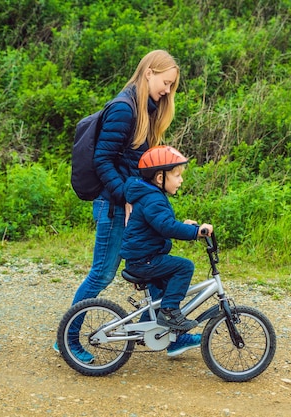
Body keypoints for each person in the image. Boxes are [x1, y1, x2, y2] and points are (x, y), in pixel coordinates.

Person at [55, 50, 200, 361]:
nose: (167, 90)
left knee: (155, 263)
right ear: (149, 72)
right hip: (114, 204)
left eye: (172, 86)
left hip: (129, 202)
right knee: (102, 274)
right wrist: (128, 196)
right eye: (166, 82)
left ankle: (169, 335)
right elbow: (102, 160)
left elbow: (134, 162)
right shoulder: (125, 109)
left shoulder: (146, 109)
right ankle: (66, 340)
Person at [121, 145, 213, 353]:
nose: (181, 180)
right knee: (184, 267)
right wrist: (197, 232)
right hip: (144, 260)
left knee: (163, 290)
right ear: (160, 178)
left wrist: (187, 226)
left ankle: (151, 326)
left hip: (144, 257)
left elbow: (162, 223)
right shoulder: (153, 198)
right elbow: (166, 226)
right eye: (177, 175)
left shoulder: (150, 195)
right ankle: (170, 313)